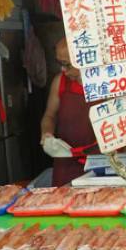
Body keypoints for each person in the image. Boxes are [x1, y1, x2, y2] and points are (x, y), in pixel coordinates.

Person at [40, 38, 98, 186]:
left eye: (67, 65)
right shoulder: (60, 82)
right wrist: (47, 134)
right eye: (60, 64)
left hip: (101, 166)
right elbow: (49, 115)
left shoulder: (109, 84)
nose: (63, 70)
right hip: (65, 165)